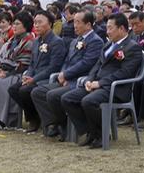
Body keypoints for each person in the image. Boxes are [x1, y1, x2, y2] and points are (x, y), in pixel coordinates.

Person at [59, 13, 144, 147]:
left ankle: (100, 135)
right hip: (98, 85)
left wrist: (100, 83)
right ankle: (89, 131)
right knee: (67, 98)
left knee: (88, 101)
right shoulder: (108, 45)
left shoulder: (132, 47)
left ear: (122, 29)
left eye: (111, 28)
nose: (107, 31)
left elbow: (125, 73)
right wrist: (89, 79)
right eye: (107, 28)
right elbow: (97, 65)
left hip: (115, 88)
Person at [31, 10, 103, 139]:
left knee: (53, 95)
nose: (74, 25)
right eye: (74, 21)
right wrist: (63, 74)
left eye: (78, 22)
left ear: (88, 25)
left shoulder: (95, 41)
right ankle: (54, 123)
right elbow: (67, 61)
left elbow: (87, 63)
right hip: (68, 79)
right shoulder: (75, 41)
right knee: (38, 92)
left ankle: (65, 126)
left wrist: (67, 75)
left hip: (81, 81)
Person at [14, 11, 68, 132]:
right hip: (34, 77)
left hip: (46, 78)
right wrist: (28, 75)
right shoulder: (37, 41)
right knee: (13, 89)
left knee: (25, 90)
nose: (36, 25)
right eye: (35, 23)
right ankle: (34, 117)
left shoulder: (56, 42)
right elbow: (32, 63)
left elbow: (54, 67)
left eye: (40, 22)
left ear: (49, 24)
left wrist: (34, 79)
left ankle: (47, 122)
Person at [0, 11, 36, 129]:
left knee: (2, 84)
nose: (14, 26)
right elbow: (3, 57)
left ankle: (4, 120)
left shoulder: (29, 41)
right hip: (7, 71)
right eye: (14, 24)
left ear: (25, 25)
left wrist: (7, 72)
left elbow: (25, 63)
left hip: (19, 73)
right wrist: (0, 69)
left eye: (17, 24)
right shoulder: (13, 39)